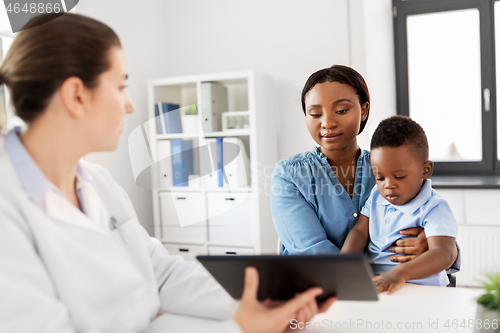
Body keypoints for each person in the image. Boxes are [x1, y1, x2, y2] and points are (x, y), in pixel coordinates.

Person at [0, 13, 335, 333]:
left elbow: (160, 274)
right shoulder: (7, 204)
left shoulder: (97, 183)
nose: (130, 105)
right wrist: (238, 328)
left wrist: (265, 302)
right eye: (120, 87)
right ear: (76, 95)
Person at [270, 65, 460, 272]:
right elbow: (310, 251)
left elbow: (437, 227)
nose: (328, 123)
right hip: (322, 289)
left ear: (364, 110)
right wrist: (374, 279)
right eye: (315, 114)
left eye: (341, 110)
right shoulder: (289, 176)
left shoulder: (391, 167)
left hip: (397, 289)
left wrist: (428, 245)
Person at [340, 116, 458, 293]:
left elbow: (444, 253)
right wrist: (345, 262)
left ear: (425, 170)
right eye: (380, 177)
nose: (388, 185)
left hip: (422, 289)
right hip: (378, 285)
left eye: (399, 176)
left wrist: (401, 273)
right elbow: (360, 231)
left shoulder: (434, 207)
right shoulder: (376, 195)